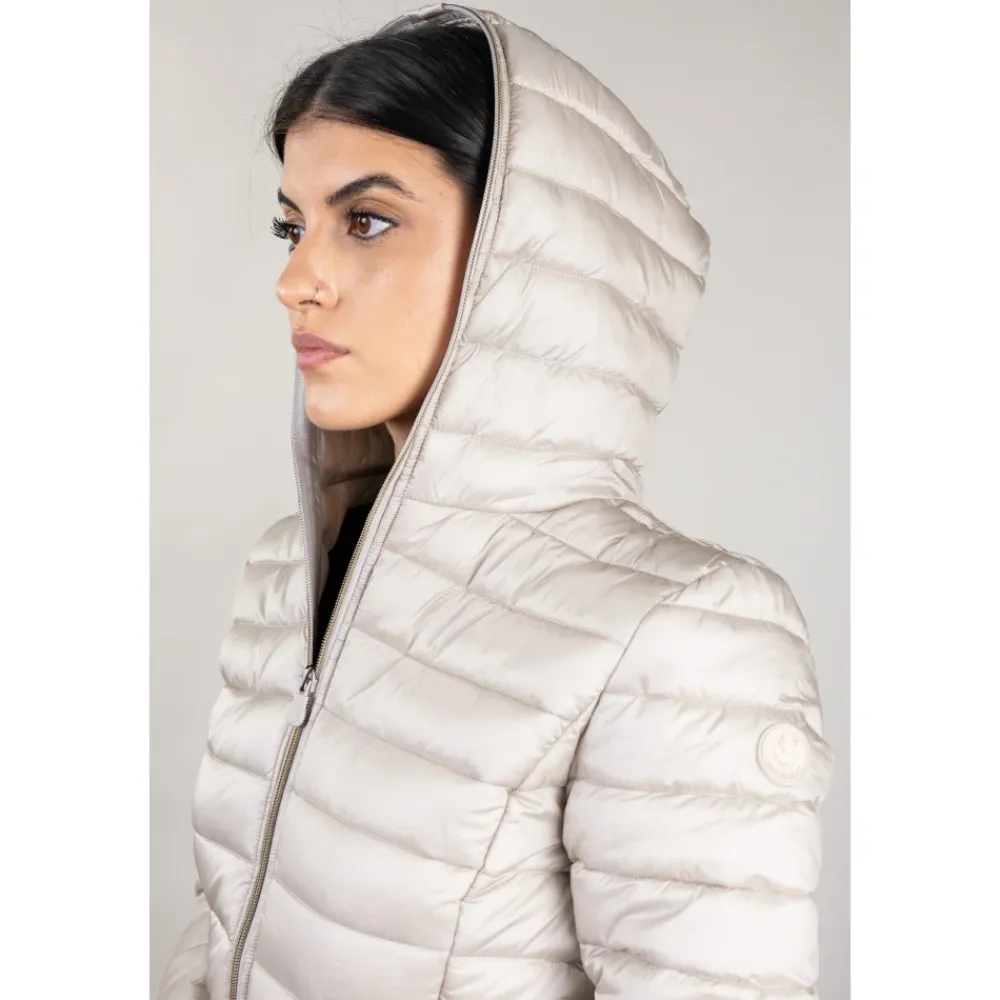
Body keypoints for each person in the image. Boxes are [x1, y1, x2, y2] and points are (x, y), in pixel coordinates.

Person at [157, 4, 834, 999]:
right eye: (291, 227)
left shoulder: (680, 633)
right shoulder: (286, 571)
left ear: (526, 257)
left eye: (366, 221)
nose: (295, 279)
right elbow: (224, 921)